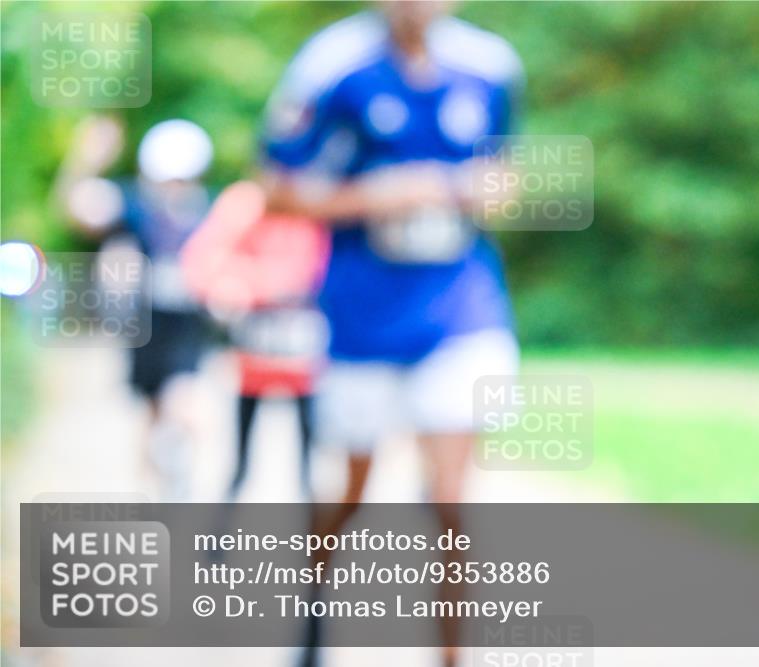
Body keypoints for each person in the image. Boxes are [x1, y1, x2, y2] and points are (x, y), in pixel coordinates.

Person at [259, 2, 523, 664]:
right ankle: (312, 618)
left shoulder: (490, 66)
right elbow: (275, 188)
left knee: (451, 499)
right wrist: (383, 193)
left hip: (459, 304)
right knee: (352, 486)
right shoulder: (330, 66)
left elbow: (508, 174)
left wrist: (479, 190)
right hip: (361, 314)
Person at [55, 116, 215, 500]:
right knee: (151, 414)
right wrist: (83, 161)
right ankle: (153, 495)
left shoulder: (207, 212)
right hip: (146, 326)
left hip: (187, 326)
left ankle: (178, 487)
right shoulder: (137, 207)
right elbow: (78, 212)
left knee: (185, 405)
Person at [181, 180, 330, 500]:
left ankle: (317, 540)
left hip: (306, 351)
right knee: (240, 456)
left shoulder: (320, 198)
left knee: (310, 460)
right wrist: (245, 285)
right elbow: (204, 259)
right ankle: (223, 533)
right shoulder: (246, 203)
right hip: (256, 352)